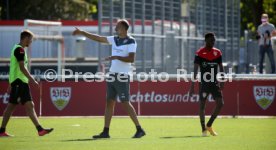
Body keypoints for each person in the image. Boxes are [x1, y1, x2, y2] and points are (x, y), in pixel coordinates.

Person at [72, 19, 146, 139]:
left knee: (125, 102)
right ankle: (105, 132)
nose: (115, 27)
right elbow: (99, 38)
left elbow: (131, 59)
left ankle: (139, 129)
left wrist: (116, 56)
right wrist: (83, 32)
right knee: (109, 103)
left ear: (123, 28)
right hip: (112, 74)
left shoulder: (131, 41)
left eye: (118, 26)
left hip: (122, 75)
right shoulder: (115, 39)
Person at [0, 30, 53, 137]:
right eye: (30, 39)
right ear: (26, 38)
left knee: (12, 107)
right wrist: (32, 80)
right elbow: (21, 67)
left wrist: (11, 83)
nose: (31, 42)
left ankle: (2, 131)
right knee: (27, 105)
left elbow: (13, 68)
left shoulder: (16, 48)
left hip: (17, 82)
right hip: (20, 82)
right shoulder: (20, 50)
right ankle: (40, 129)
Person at [189, 32, 224, 137]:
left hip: (214, 83)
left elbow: (221, 68)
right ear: (206, 40)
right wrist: (192, 86)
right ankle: (203, 129)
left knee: (220, 103)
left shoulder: (217, 53)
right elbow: (195, 71)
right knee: (202, 106)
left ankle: (209, 125)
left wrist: (222, 80)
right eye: (211, 40)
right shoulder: (199, 53)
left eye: (214, 40)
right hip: (204, 83)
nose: (213, 42)